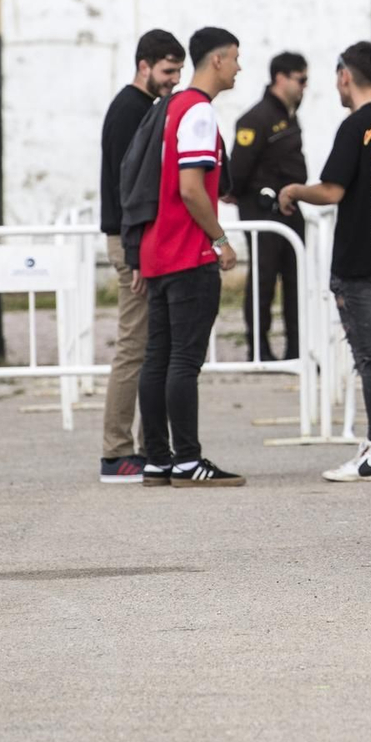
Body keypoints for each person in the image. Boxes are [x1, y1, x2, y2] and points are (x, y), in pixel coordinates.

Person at [280, 42, 371, 484]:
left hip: (358, 258)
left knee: (369, 357)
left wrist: (294, 191)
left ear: (344, 76)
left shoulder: (355, 125)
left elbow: (332, 191)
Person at [137, 27, 245, 488]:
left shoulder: (170, 105)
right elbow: (190, 188)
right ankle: (187, 459)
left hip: (158, 249)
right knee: (183, 360)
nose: (240, 67)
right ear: (217, 60)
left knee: (157, 357)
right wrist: (220, 239)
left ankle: (157, 459)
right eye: (236, 58)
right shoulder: (198, 111)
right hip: (187, 251)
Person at [97, 29, 184, 482]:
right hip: (130, 244)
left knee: (143, 347)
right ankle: (116, 453)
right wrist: (135, 254)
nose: (173, 81)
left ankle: (132, 447)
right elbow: (128, 189)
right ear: (144, 65)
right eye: (168, 71)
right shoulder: (130, 111)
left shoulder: (139, 108)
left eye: (179, 72)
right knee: (134, 348)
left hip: (133, 241)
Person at [227, 51, 308, 361]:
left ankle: (295, 350)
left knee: (294, 280)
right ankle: (259, 350)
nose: (304, 87)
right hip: (262, 212)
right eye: (300, 80)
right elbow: (238, 172)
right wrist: (240, 194)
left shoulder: (289, 114)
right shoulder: (256, 118)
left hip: (291, 210)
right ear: (281, 78)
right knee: (263, 280)